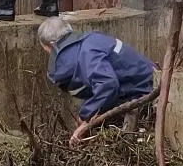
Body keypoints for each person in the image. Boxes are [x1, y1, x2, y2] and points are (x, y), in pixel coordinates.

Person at [38, 17, 155, 145]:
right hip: (138, 84)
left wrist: (85, 117)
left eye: (48, 51)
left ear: (52, 44)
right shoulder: (91, 39)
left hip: (146, 92)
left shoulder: (86, 53)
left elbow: (108, 84)